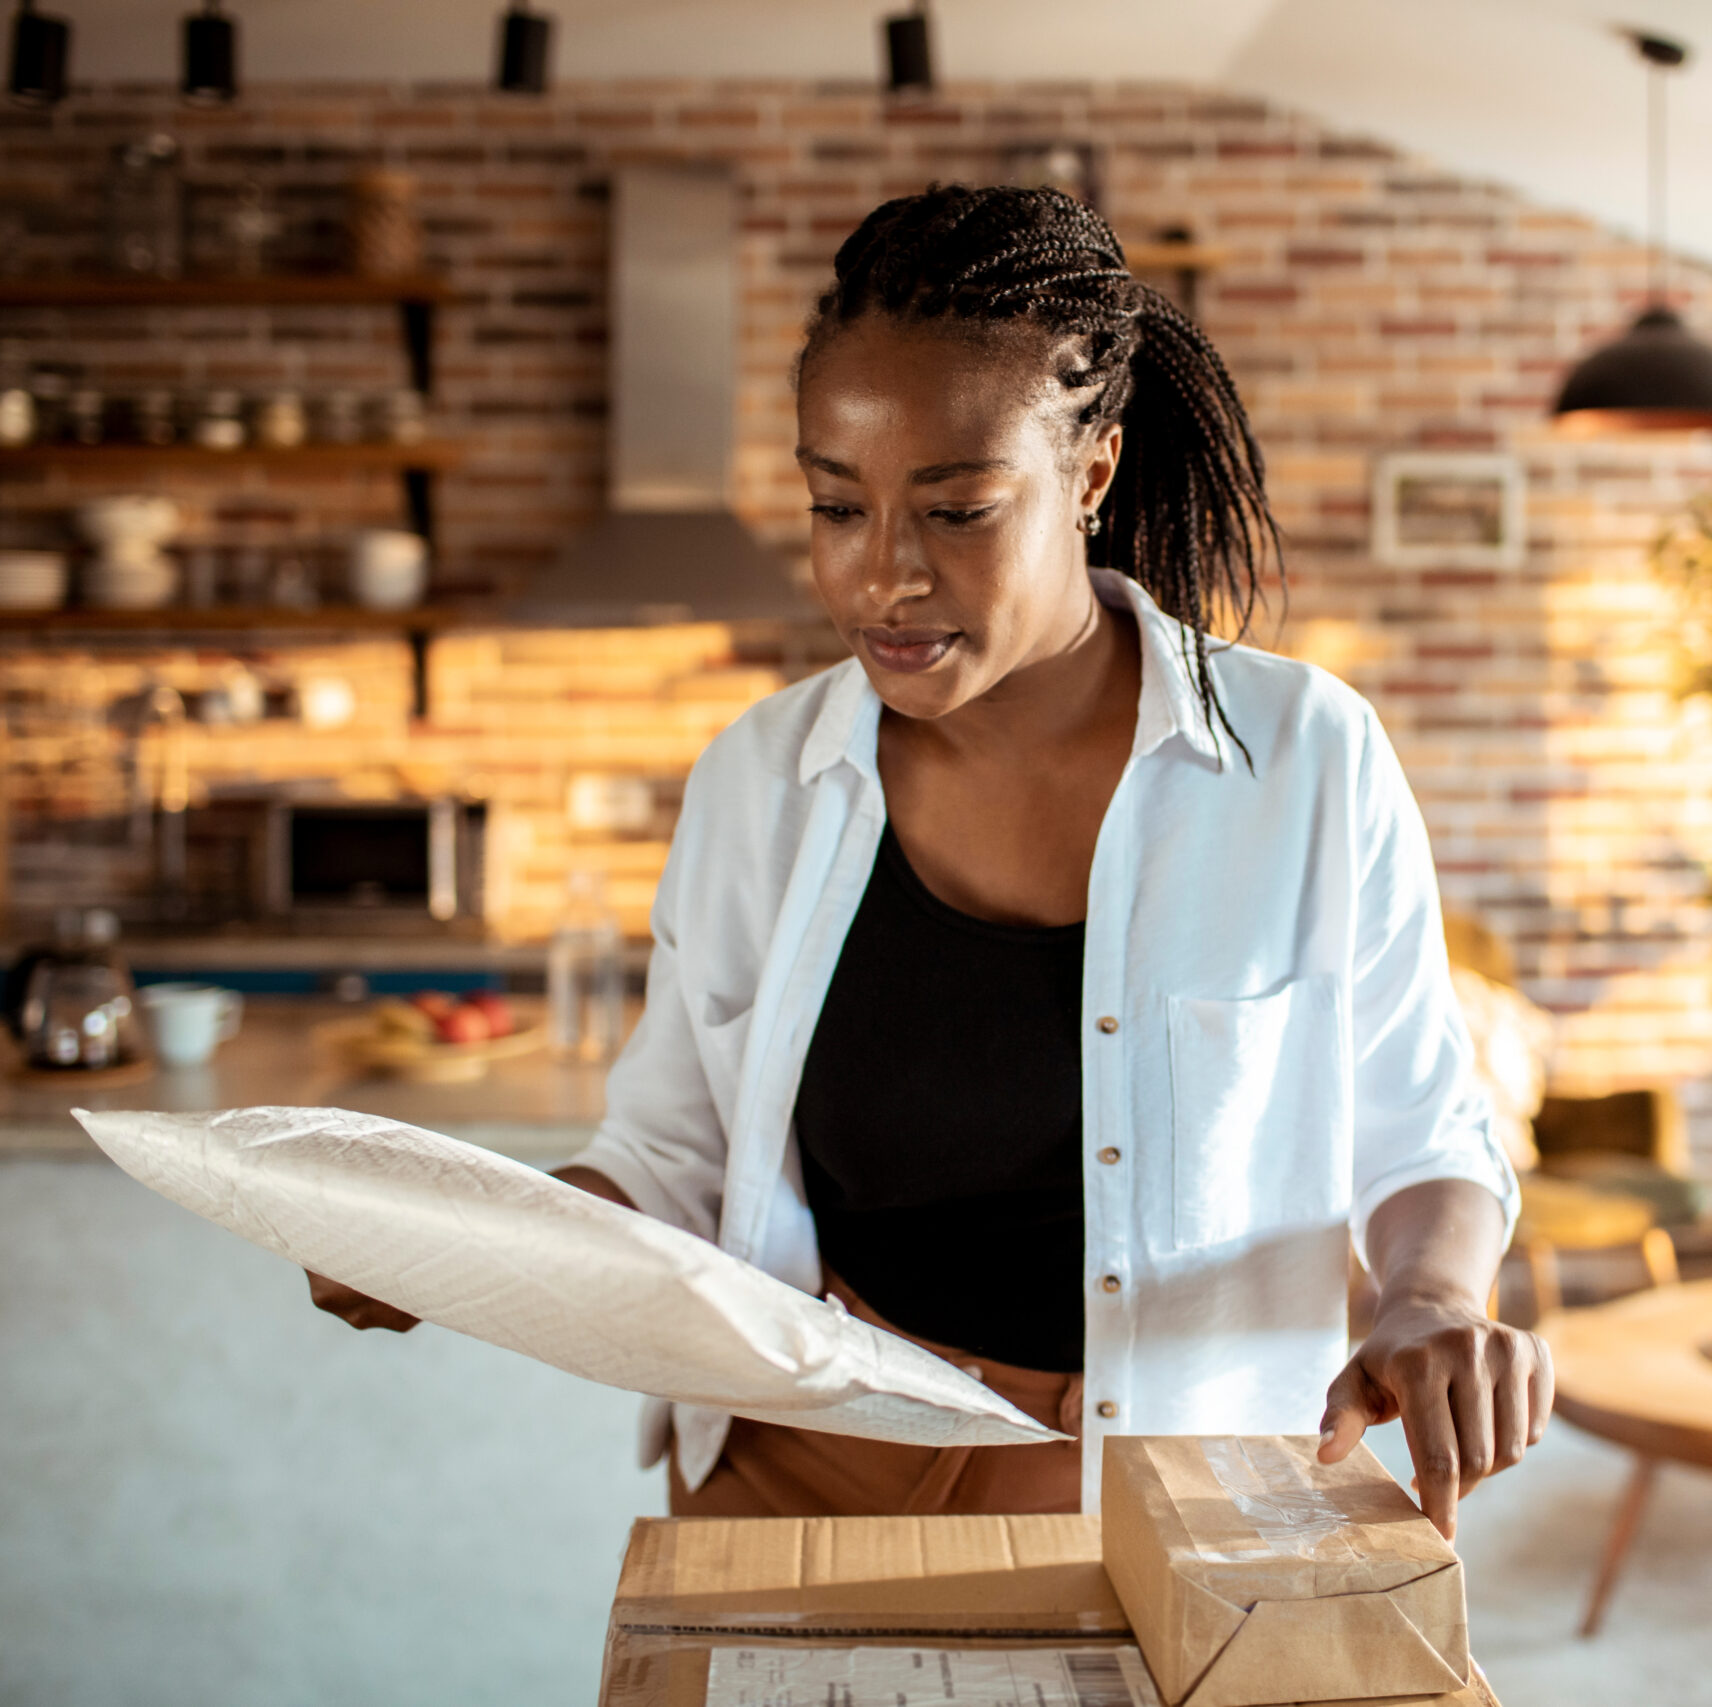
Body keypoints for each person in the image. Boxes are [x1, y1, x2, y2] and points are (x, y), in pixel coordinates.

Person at [308, 184, 1549, 1538]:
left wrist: (1432, 1300)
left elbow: (1422, 1128)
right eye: (836, 509)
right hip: (815, 1449)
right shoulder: (759, 782)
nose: (882, 577)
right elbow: (671, 1156)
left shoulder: (1302, 758)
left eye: (955, 512)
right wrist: (466, 1231)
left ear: (1090, 476)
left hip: (1191, 1483)